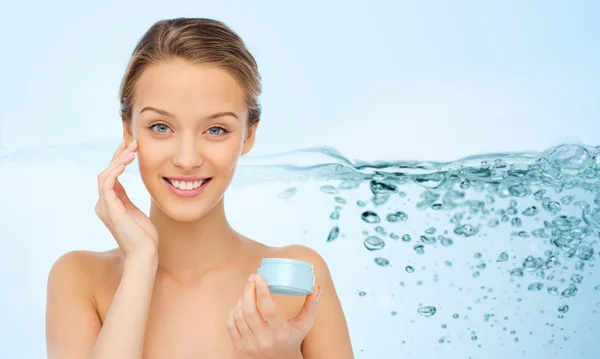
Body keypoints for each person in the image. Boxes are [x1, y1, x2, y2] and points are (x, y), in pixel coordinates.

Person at [45, 17, 354, 359]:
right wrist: (141, 262)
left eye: (216, 130)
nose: (187, 159)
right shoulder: (79, 280)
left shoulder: (295, 277)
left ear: (248, 134)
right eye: (161, 127)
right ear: (129, 131)